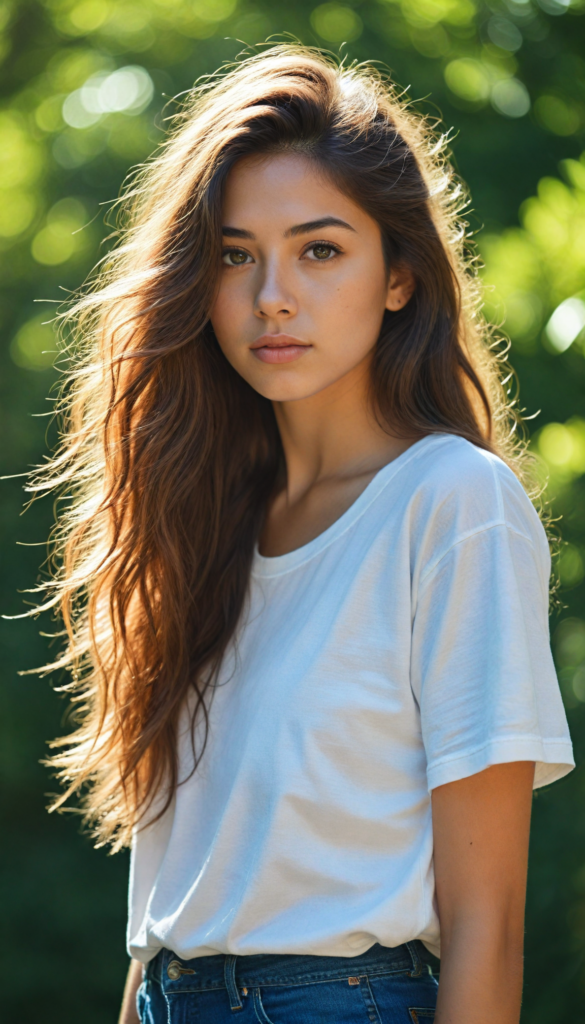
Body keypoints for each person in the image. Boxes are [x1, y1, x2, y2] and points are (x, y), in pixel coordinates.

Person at [32, 45, 573, 1024]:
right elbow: (168, 907)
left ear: (399, 274)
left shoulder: (453, 504)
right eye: (237, 254)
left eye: (320, 249)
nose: (272, 294)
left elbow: (487, 921)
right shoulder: (201, 522)